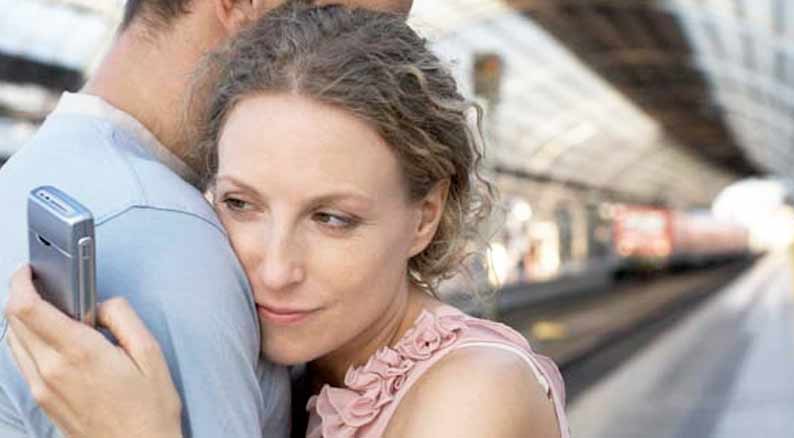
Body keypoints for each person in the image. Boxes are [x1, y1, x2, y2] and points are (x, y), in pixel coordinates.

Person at [5, 2, 572, 438]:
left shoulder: (475, 395)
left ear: (425, 215)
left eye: (331, 218)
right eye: (240, 204)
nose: (275, 270)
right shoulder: (305, 367)